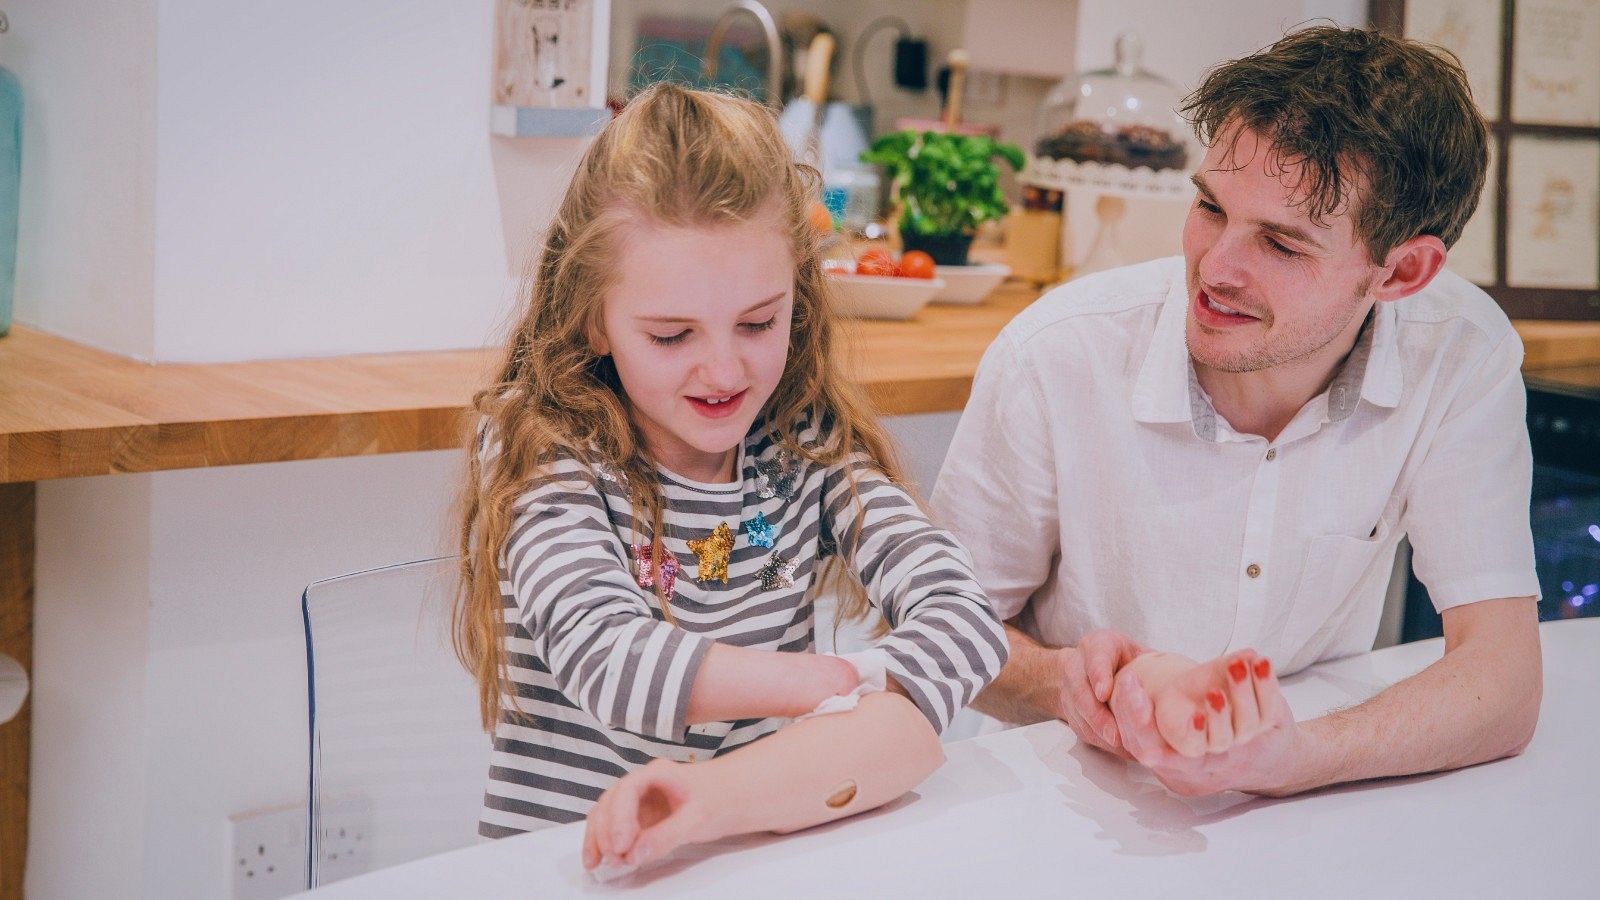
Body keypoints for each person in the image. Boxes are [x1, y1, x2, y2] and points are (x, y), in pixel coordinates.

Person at [933, 25, 1542, 797]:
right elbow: (938, 627)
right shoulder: (1058, 351)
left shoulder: (1458, 354)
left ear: (1402, 272)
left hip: (1311, 804)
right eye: (1210, 207)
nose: (1215, 269)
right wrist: (1069, 686)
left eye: (1281, 245)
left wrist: (1290, 760)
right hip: (1063, 789)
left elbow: (1504, 680)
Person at [450, 82, 1008, 870]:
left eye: (757, 323)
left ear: (798, 301)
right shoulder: (548, 451)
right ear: (593, 318)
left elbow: (966, 619)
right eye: (671, 335)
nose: (723, 370)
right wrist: (833, 686)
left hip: (744, 862)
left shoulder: (805, 446)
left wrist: (869, 695)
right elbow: (609, 659)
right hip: (571, 869)